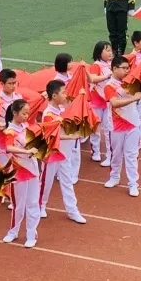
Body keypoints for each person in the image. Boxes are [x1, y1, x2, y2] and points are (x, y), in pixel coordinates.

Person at [38, 80, 86, 223]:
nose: (66, 95)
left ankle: (72, 210)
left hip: (64, 154)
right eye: (63, 92)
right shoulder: (48, 114)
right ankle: (40, 205)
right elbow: (53, 135)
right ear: (54, 95)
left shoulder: (61, 110)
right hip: (52, 154)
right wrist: (72, 136)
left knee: (67, 181)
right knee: (45, 183)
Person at [1, 99, 41, 248]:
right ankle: (13, 231)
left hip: (32, 169)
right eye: (23, 113)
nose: (26, 116)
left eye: (27, 113)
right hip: (18, 172)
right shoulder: (10, 130)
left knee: (32, 203)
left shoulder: (26, 127)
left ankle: (31, 233)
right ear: (15, 113)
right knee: (18, 205)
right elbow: (9, 148)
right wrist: (26, 151)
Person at [101, 57, 141, 196]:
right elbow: (114, 103)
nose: (127, 70)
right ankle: (114, 177)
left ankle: (133, 184)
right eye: (123, 68)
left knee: (131, 155)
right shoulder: (109, 86)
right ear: (114, 69)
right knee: (116, 154)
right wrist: (134, 98)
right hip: (116, 125)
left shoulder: (131, 83)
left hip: (133, 124)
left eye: (128, 68)